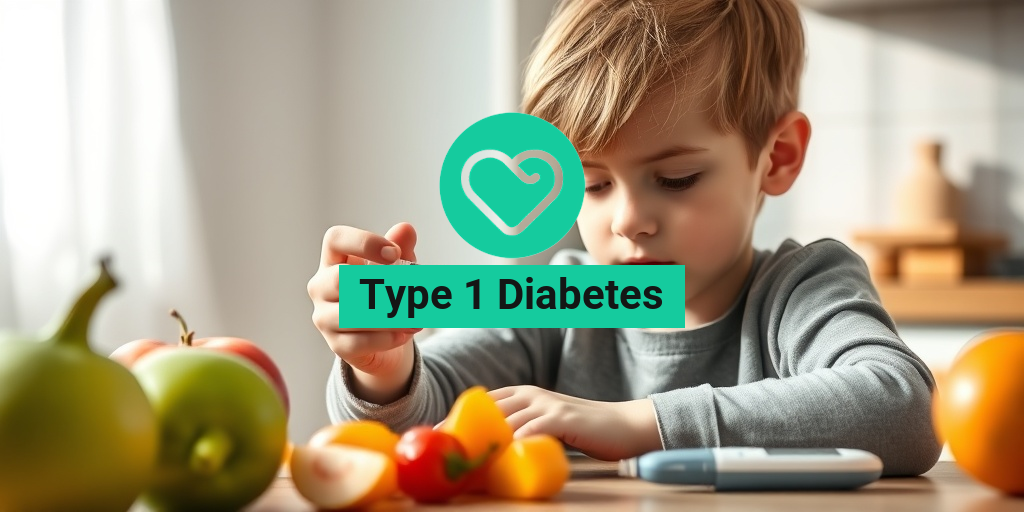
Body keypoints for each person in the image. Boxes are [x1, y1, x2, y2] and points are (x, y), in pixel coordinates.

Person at [306, 0, 941, 475]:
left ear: (775, 158)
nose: (627, 220)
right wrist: (385, 372)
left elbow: (905, 410)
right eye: (594, 183)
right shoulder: (562, 293)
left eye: (676, 178)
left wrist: (639, 424)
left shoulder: (800, 289)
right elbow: (424, 428)